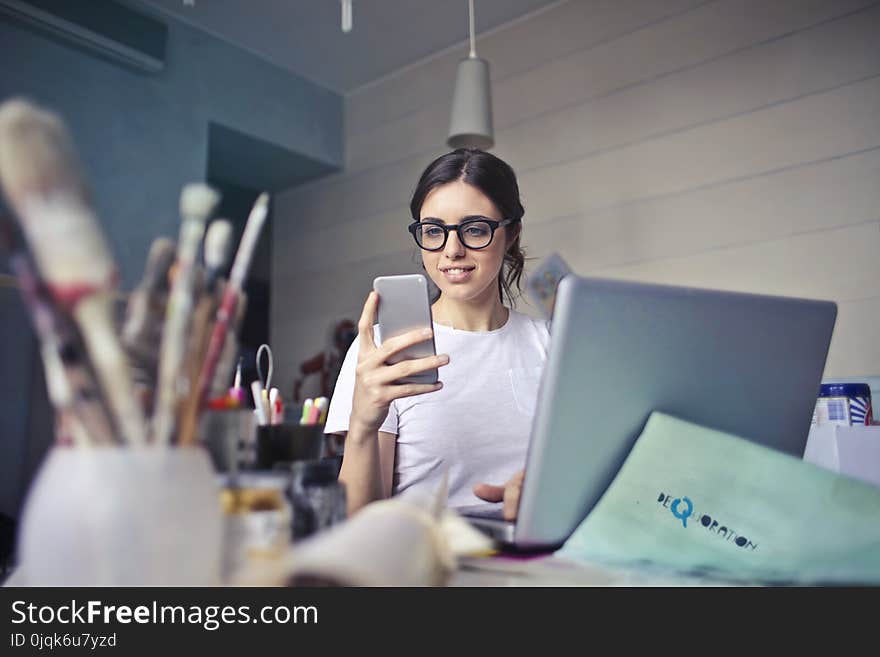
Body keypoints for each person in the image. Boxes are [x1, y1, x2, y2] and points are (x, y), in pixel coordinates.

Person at [325, 149, 549, 519]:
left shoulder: (552, 345)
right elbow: (358, 522)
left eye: (475, 229)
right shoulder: (384, 351)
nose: (452, 250)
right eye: (434, 231)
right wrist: (363, 424)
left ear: (511, 234)